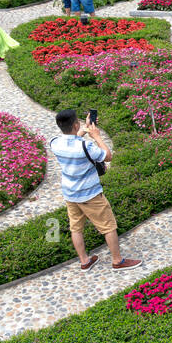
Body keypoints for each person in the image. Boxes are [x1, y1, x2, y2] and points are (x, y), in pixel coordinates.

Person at [50, 108, 141, 271]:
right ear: (76, 124)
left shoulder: (55, 143)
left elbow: (72, 141)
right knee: (108, 226)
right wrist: (97, 136)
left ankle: (84, 261)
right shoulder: (86, 146)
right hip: (90, 194)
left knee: (76, 228)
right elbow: (107, 156)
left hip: (70, 194)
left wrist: (84, 130)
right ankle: (117, 261)